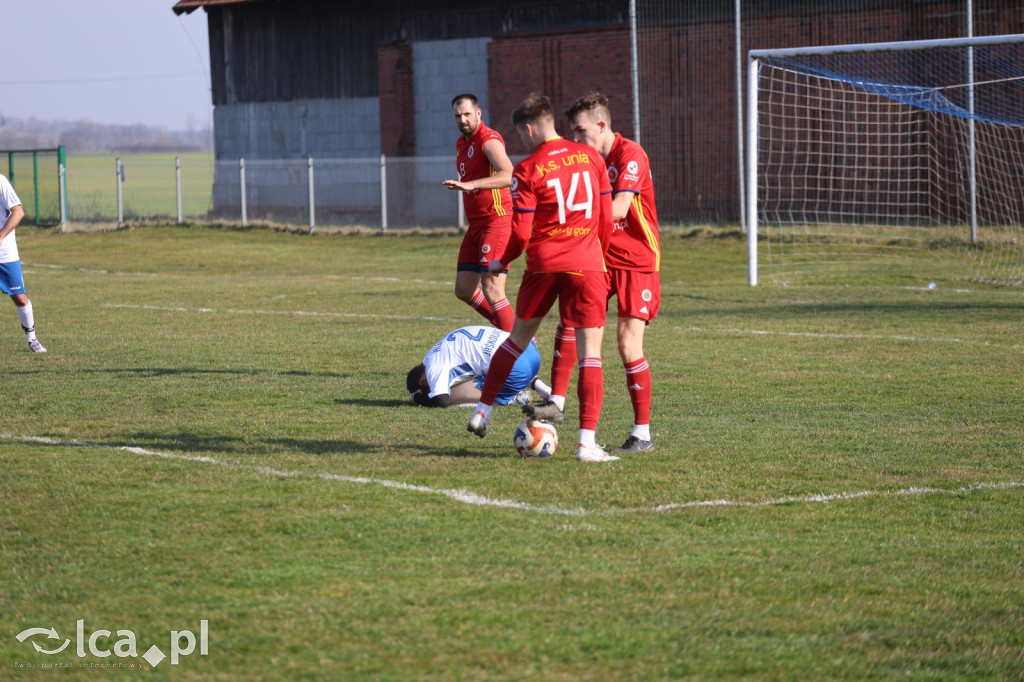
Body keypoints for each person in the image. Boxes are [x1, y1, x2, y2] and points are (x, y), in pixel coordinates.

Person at [465, 93, 618, 462]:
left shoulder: (528, 168)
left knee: (516, 340)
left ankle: (481, 412)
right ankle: (586, 445)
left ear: (529, 129)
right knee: (591, 354)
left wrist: (503, 261)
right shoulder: (592, 158)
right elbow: (606, 218)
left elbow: (520, 232)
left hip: (544, 264)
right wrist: (602, 256)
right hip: (587, 263)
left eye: (520, 135)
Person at [531, 92, 661, 454]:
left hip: (637, 260)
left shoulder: (630, 154)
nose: (575, 139)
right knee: (570, 322)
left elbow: (619, 208)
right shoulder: (584, 160)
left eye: (580, 130)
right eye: (572, 132)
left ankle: (642, 433)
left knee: (626, 343)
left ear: (602, 125)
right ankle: (556, 403)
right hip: (599, 257)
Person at [441, 94, 516, 332]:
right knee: (464, 289)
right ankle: (514, 333)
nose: (463, 119)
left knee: (492, 288)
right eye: (458, 115)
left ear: (478, 113)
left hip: (497, 220)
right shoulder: (461, 144)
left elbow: (509, 175)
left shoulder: (488, 139)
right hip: (476, 227)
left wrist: (471, 185)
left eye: (467, 114)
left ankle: (520, 350)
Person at [407, 325, 550, 408]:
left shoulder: (433, 366)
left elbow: (441, 400)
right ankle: (545, 390)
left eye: (427, 390)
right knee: (492, 362)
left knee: (451, 397)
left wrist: (419, 399)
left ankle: (513, 398)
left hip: (517, 368)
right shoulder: (437, 349)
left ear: (422, 382)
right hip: (529, 350)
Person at [0, 173, 46, 353]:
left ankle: (32, 338)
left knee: (19, 297)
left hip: (4, 253)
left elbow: (18, 211)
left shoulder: (0, 181)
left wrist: (1, 236)